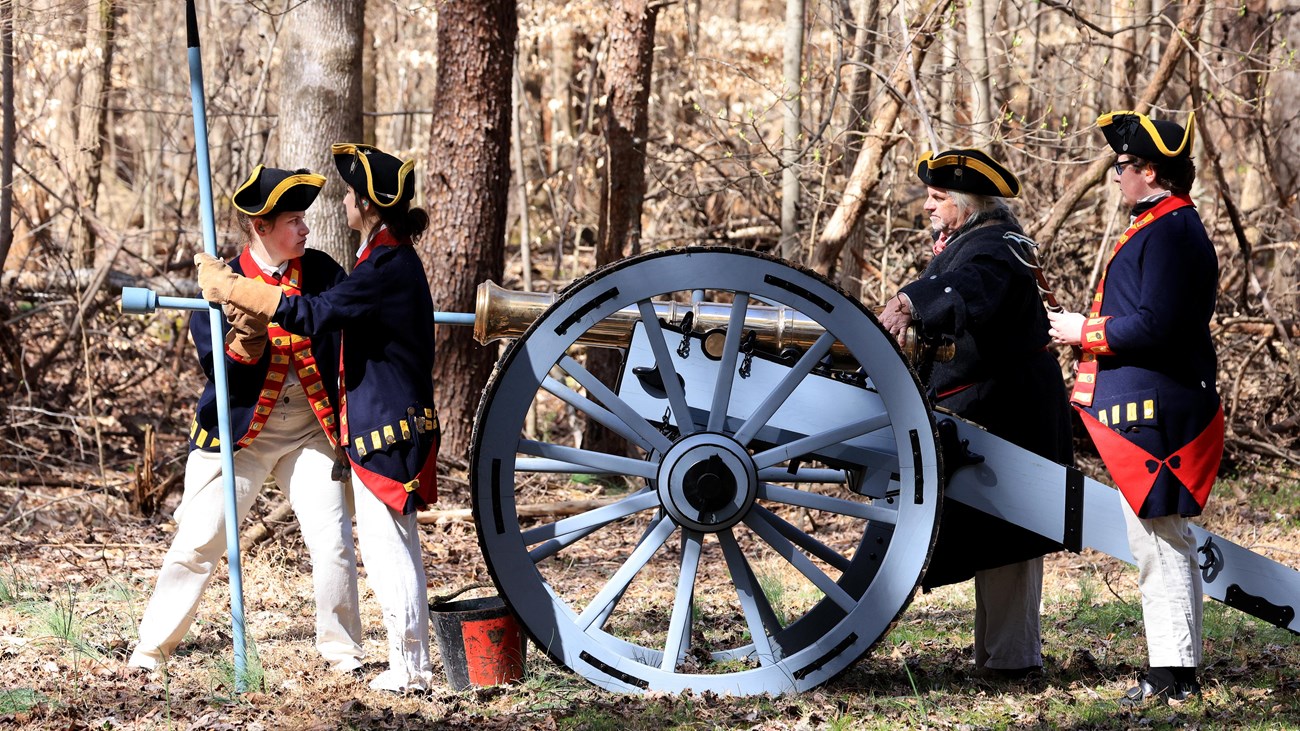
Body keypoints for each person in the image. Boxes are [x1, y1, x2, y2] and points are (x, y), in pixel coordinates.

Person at [196, 143, 440, 693]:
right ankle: (412, 664)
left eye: (352, 195)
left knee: (387, 548)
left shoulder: (385, 263)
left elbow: (314, 313)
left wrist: (236, 289)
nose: (346, 203)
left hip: (386, 424)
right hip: (384, 421)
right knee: (388, 546)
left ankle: (411, 668)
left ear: (368, 206)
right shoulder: (383, 257)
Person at [129, 166, 363, 674]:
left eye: (304, 218)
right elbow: (219, 373)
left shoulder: (322, 272)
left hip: (310, 431)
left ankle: (342, 649)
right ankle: (151, 649)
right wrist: (242, 341)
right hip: (242, 436)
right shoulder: (219, 287)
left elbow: (342, 320)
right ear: (261, 228)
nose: (305, 230)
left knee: (333, 541)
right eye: (294, 221)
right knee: (199, 541)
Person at [1048, 111, 1221, 704]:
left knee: (1161, 540)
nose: (1116, 176)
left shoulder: (1173, 231)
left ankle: (1175, 677)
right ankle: (1172, 671)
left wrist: (1084, 330)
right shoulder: (1158, 226)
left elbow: (1159, 326)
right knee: (1153, 542)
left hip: (1160, 413)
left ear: (1149, 170)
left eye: (1122, 166)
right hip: (1146, 410)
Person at [880, 148, 1073, 679]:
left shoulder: (993, 246)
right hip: (992, 406)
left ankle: (1013, 659)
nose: (927, 206)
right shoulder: (976, 240)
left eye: (938, 198)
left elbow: (972, 288)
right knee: (996, 537)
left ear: (968, 204)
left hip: (1010, 412)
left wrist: (910, 301)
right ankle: (997, 657)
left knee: (1011, 538)